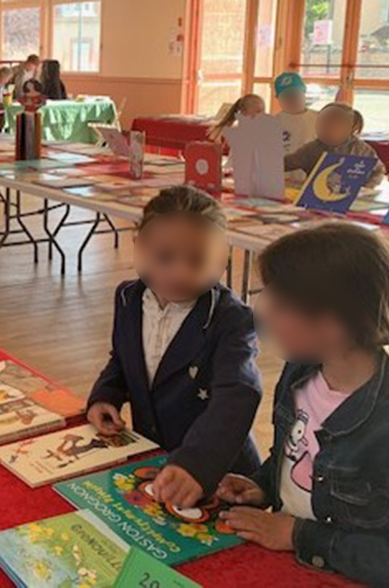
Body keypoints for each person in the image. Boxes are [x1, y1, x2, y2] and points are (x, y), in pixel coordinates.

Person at [218, 224, 389, 586]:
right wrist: (263, 484)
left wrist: (298, 536)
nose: (265, 315)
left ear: (331, 325)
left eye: (280, 306)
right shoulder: (301, 371)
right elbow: (300, 451)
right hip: (287, 563)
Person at [87, 186, 262, 507]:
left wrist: (197, 465)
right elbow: (123, 360)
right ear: (139, 247)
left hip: (220, 477)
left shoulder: (232, 318)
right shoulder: (128, 299)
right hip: (156, 463)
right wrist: (105, 395)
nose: (180, 272)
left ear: (220, 258)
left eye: (197, 260)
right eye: (165, 257)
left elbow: (238, 396)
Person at [284, 102, 386, 187]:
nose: (327, 129)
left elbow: (378, 171)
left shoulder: (361, 150)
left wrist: (366, 187)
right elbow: (286, 164)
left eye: (333, 126)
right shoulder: (312, 148)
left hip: (353, 199)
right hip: (317, 200)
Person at [273, 72, 317, 155]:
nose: (292, 99)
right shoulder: (272, 123)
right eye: (286, 96)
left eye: (295, 94)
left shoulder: (320, 119)